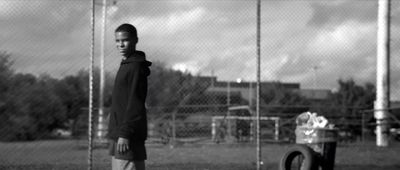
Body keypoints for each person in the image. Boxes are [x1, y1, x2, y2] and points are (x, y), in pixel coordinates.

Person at [107, 23, 151, 170]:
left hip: (127, 135)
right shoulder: (126, 64)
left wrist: (125, 133)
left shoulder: (135, 67)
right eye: (117, 41)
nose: (121, 45)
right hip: (120, 132)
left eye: (125, 40)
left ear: (135, 40)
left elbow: (135, 103)